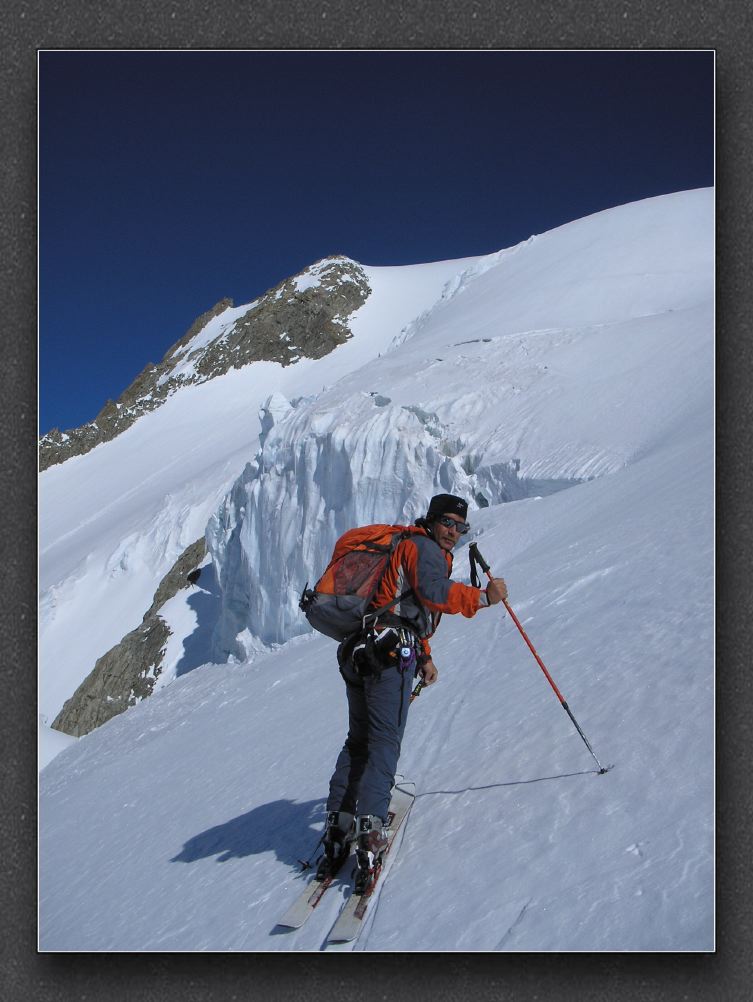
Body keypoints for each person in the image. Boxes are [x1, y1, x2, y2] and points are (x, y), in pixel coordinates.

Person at [318, 493, 508, 889]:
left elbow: (399, 606)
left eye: (461, 528)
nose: (454, 533)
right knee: (384, 742)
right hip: (387, 658)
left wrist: (423, 655)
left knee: (359, 742)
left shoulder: (405, 546)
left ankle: (340, 825)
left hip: (361, 651)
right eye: (449, 524)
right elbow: (434, 593)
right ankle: (370, 832)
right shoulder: (424, 549)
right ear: (433, 520)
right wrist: (483, 598)